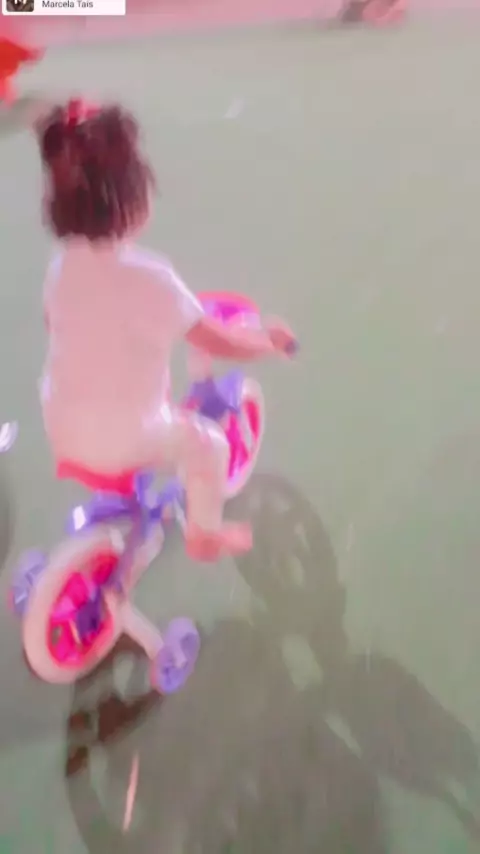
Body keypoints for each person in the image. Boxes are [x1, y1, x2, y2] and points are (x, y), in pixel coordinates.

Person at [37, 99, 296, 562]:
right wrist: (270, 341)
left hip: (62, 422)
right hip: (127, 437)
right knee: (209, 446)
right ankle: (204, 537)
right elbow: (222, 342)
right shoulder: (152, 278)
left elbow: (52, 322)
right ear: (133, 202)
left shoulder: (60, 268)